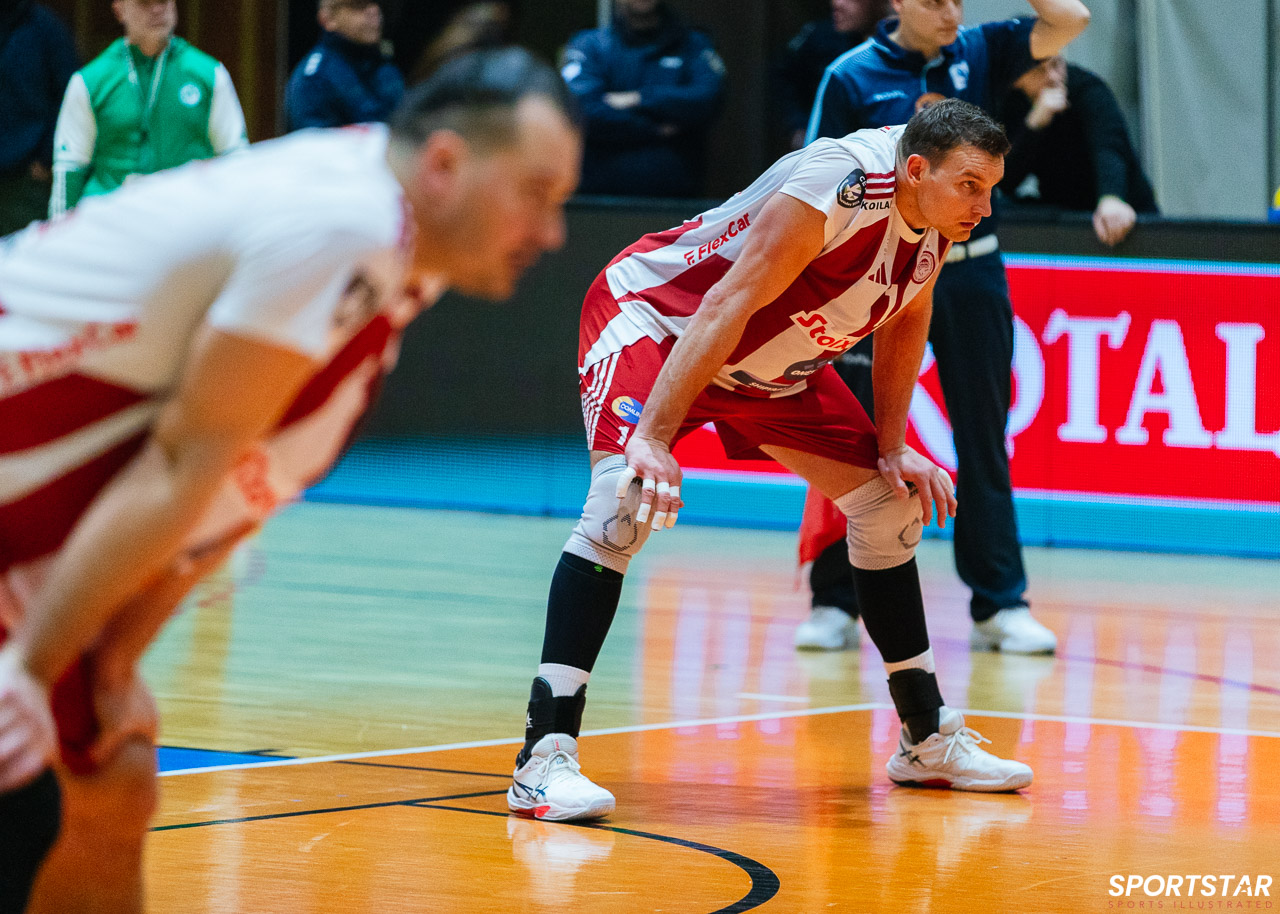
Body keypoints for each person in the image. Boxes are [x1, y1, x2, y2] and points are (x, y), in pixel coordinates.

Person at [0, 47, 580, 913]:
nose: (552, 232)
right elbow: (183, 461)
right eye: (535, 193)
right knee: (29, 802)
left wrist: (111, 661)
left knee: (113, 780)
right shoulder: (344, 225)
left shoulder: (387, 250)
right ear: (445, 164)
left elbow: (227, 492)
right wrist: (30, 672)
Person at [506, 98, 1035, 825]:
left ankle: (926, 740)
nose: (984, 206)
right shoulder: (841, 183)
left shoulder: (935, 214)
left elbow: (908, 316)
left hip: (768, 368)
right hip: (663, 326)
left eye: (991, 188)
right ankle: (542, 759)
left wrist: (891, 446)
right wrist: (652, 436)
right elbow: (727, 301)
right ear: (917, 169)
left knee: (888, 503)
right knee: (621, 500)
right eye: (971, 186)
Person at [797, 0, 1090, 655]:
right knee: (855, 435)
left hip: (970, 270)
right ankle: (834, 599)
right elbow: (814, 180)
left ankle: (1000, 603)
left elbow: (1071, 20)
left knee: (984, 436)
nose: (952, 11)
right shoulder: (850, 74)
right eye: (935, 0)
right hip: (878, 273)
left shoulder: (979, 51)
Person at [47, 0, 247, 219]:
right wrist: (58, 232)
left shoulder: (209, 74)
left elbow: (235, 158)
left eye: (163, 1)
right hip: (112, 222)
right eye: (144, 2)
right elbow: (70, 167)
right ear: (119, 10)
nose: (157, 9)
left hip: (186, 221)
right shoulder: (90, 81)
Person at [560, 0, 725, 198]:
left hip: (677, 198)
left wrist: (639, 98)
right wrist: (655, 128)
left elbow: (707, 98)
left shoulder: (693, 44)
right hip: (600, 198)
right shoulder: (589, 45)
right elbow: (583, 111)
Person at [1000, 55, 1158, 246]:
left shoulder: (1088, 88)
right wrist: (1033, 126)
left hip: (1122, 211)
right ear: (1018, 78)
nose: (1053, 77)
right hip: (1066, 218)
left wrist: (1111, 198)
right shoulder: (1010, 102)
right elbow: (1006, 182)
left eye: (1056, 65)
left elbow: (1108, 145)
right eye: (1039, 71)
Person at [0, 0, 78, 237]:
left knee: (21, 255)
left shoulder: (44, 27)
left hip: (26, 177)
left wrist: (46, 157)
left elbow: (70, 94)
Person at [775, 0, 889, 150]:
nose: (836, 4)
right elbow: (783, 78)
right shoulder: (820, 37)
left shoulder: (901, 50)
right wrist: (797, 124)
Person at [286, 0, 405, 131]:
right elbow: (314, 140)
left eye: (376, 3)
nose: (373, 11)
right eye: (358, 5)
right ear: (327, 19)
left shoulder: (384, 66)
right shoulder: (315, 78)